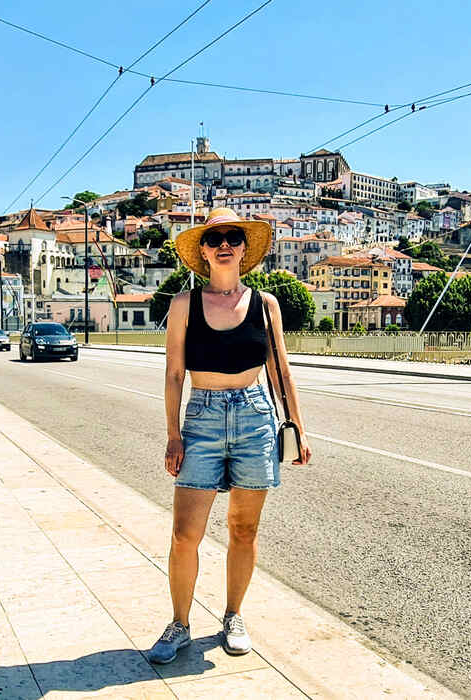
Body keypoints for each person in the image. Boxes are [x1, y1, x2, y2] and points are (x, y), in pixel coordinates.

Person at [149, 207, 312, 664]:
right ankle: (179, 624)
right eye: (215, 237)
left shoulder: (266, 304)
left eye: (234, 237)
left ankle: (233, 615)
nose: (225, 244)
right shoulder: (184, 305)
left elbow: (280, 369)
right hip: (200, 417)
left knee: (244, 529)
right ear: (202, 250)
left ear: (244, 248)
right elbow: (174, 373)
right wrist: (173, 434)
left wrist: (296, 426)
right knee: (185, 534)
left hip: (254, 416)